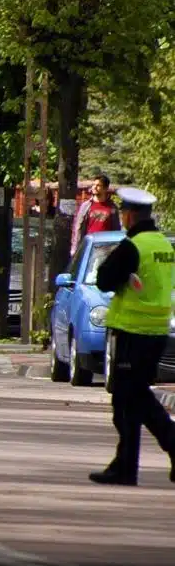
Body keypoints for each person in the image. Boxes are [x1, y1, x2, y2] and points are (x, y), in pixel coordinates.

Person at [89, 187, 175, 486]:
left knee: (128, 401)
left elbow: (104, 280)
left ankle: (128, 466)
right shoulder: (164, 245)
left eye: (124, 213)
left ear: (130, 214)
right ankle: (126, 465)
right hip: (157, 332)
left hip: (131, 333)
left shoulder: (133, 246)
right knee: (135, 398)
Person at [71, 174, 121, 256]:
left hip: (105, 248)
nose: (94, 187)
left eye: (98, 185)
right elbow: (78, 228)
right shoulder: (86, 206)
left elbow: (116, 229)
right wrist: (75, 249)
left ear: (105, 188)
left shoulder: (112, 207)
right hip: (89, 246)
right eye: (94, 184)